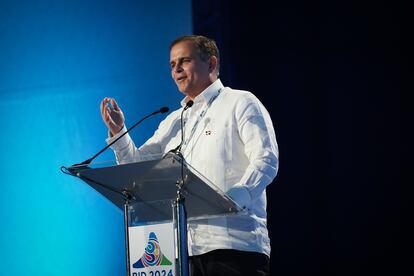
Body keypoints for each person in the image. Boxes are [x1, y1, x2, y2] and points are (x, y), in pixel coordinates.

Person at [100, 35, 279, 276]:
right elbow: (137, 169)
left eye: (184, 61)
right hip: (185, 251)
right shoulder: (174, 120)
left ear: (212, 64)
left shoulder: (241, 102)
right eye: (172, 65)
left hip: (235, 246)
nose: (177, 70)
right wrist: (120, 132)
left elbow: (266, 159)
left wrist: (235, 198)